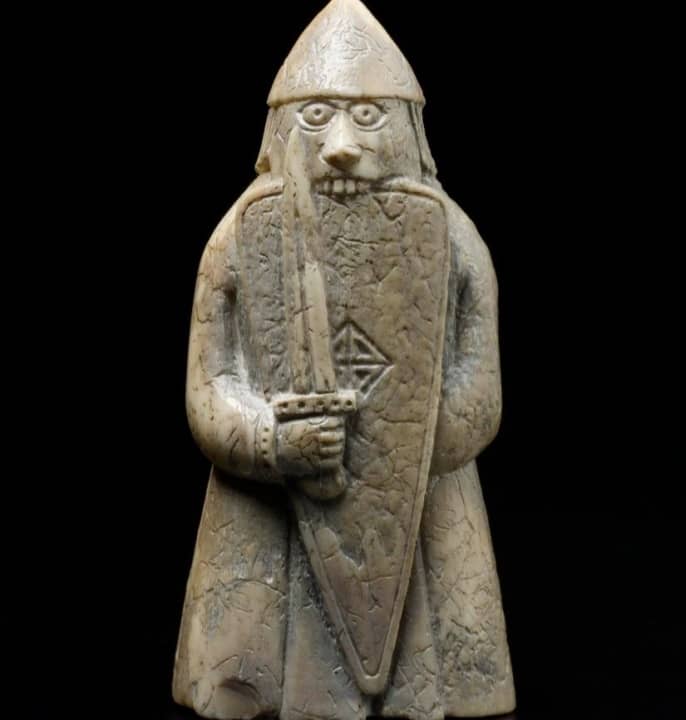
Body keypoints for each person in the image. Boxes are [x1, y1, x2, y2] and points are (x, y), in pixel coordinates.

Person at [173, 2, 514, 719]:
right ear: (279, 129)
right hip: (270, 511)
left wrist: (404, 445)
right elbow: (211, 388)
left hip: (416, 511)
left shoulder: (452, 240)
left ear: (407, 127)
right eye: (316, 116)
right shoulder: (237, 240)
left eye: (367, 118)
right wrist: (272, 441)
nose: (340, 148)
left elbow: (476, 393)